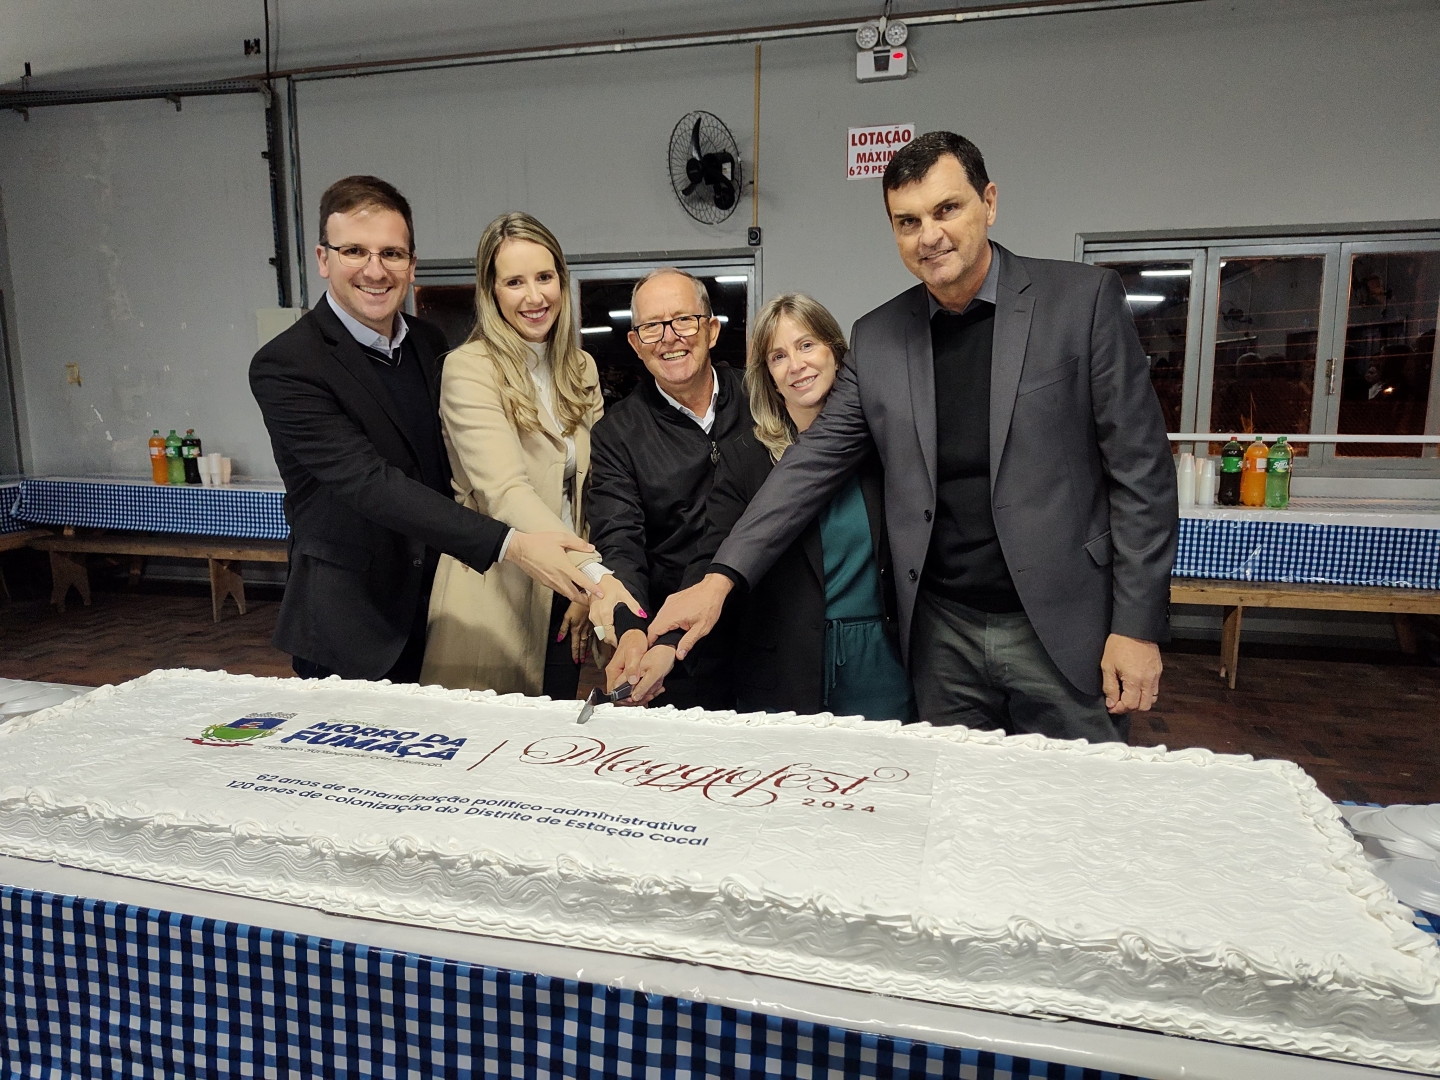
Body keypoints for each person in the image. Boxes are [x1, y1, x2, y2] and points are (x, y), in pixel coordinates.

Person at [648, 132, 1178, 742]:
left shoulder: (1080, 302)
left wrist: (1136, 625)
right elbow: (808, 466)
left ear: (989, 203)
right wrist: (719, 580)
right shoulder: (878, 337)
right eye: (908, 221)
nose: (929, 235)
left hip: (1063, 627)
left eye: (946, 209)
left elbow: (1141, 472)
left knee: (1075, 797)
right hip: (943, 636)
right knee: (949, 798)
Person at [250, 176, 596, 683]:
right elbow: (371, 484)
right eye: (354, 251)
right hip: (354, 621)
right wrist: (513, 543)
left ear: (412, 265)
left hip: (443, 601)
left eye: (391, 253)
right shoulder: (287, 364)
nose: (375, 270)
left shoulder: (430, 344)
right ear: (323, 259)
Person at [611, 295, 914, 721]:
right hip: (783, 670)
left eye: (806, 345)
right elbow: (713, 556)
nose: (796, 365)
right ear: (768, 376)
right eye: (778, 356)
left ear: (836, 353)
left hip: (880, 665)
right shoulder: (746, 458)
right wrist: (665, 645)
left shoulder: (882, 447)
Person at [422, 213, 608, 698]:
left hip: (567, 592)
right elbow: (505, 492)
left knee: (550, 733)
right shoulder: (468, 369)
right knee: (483, 735)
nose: (534, 297)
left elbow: (596, 486)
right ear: (492, 291)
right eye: (514, 282)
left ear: (562, 281)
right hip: (493, 587)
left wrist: (583, 585)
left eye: (544, 277)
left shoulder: (581, 367)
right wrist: (593, 572)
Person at [584, 267, 751, 710]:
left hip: (773, 630)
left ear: (711, 330)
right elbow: (619, 540)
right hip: (674, 653)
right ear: (635, 343)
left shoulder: (762, 399)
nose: (669, 337)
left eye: (683, 320)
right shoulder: (617, 434)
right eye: (651, 327)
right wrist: (632, 630)